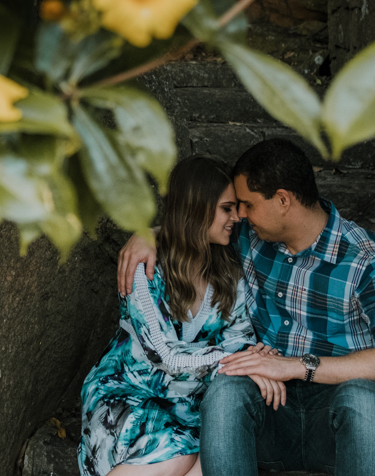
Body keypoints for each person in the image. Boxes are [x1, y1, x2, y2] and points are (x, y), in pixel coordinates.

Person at [116, 138, 375, 476]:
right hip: (271, 410)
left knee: (365, 399)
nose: (240, 215)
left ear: (282, 200)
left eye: (247, 204)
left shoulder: (368, 262)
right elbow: (195, 226)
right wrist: (149, 234)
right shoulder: (253, 236)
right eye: (235, 208)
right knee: (225, 392)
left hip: (337, 422)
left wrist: (298, 366)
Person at [79, 156, 261, 476]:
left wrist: (252, 359)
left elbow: (242, 339)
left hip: (188, 407)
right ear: (197, 209)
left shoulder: (229, 274)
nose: (237, 217)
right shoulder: (146, 267)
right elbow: (163, 354)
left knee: (216, 456)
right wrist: (246, 362)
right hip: (128, 396)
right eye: (227, 208)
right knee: (176, 455)